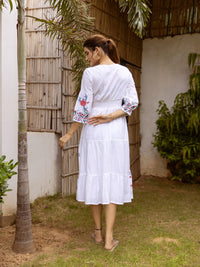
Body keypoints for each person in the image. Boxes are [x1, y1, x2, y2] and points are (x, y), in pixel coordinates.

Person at [59, 34, 139, 251]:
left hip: (94, 130)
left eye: (87, 53)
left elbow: (83, 108)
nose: (86, 58)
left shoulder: (90, 74)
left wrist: (69, 134)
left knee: (94, 177)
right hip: (115, 132)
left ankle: (98, 234)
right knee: (111, 181)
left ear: (97, 51)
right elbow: (132, 102)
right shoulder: (124, 72)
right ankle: (109, 239)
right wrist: (112, 116)